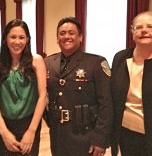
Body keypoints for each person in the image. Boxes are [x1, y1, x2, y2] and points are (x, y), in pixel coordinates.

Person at [44, 17, 113, 156]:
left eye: (71, 33)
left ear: (80, 37)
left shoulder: (96, 63)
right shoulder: (48, 63)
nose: (66, 36)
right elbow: (41, 96)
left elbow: (106, 103)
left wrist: (100, 139)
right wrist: (50, 120)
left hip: (85, 134)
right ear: (57, 38)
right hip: (58, 134)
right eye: (62, 33)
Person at [0, 19, 47, 156]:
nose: (17, 42)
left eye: (21, 37)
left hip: (29, 124)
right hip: (3, 125)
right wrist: (4, 132)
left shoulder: (36, 61)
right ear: (5, 39)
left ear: (27, 39)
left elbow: (42, 96)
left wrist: (32, 130)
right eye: (13, 37)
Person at [111, 11, 152, 156]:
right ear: (132, 31)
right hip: (126, 132)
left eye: (150, 26)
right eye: (139, 27)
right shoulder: (120, 58)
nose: (144, 30)